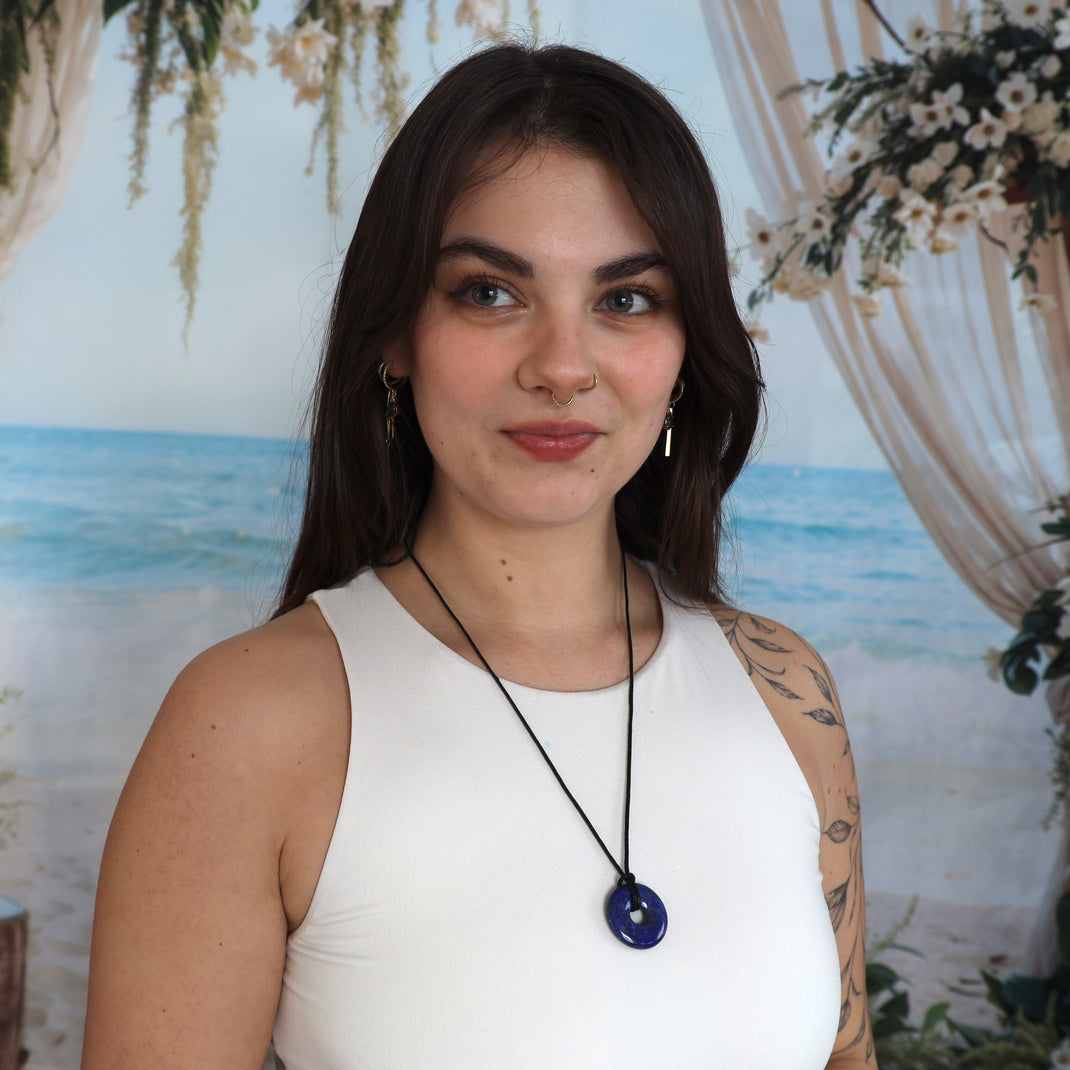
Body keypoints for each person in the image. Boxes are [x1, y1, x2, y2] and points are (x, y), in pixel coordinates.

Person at [82, 42, 875, 1070]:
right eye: (490, 293)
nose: (561, 367)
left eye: (625, 298)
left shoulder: (786, 691)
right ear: (394, 337)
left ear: (686, 352)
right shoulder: (248, 723)